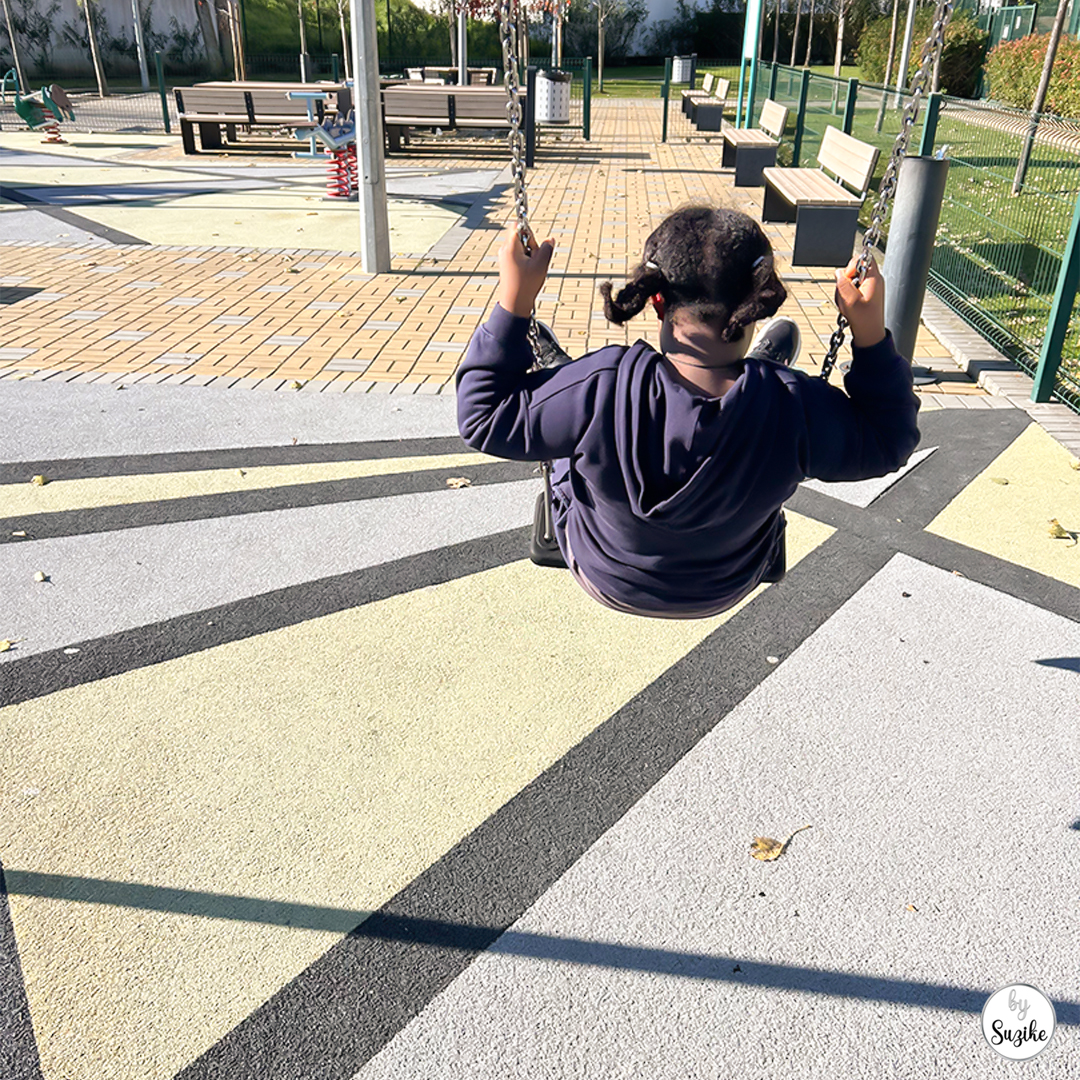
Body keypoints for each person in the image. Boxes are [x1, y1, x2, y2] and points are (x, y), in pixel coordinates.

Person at [456, 206, 920, 619]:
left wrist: (514, 304)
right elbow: (889, 440)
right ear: (753, 307)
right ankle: (755, 369)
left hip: (604, 573)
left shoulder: (602, 385)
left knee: (566, 426)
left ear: (656, 300)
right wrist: (869, 333)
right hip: (725, 584)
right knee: (764, 395)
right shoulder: (794, 404)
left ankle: (556, 371)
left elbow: (482, 417)